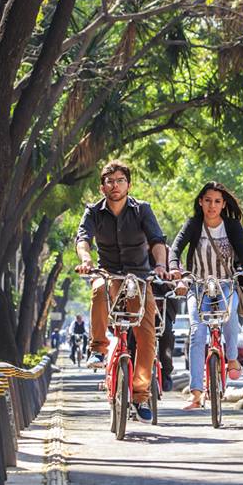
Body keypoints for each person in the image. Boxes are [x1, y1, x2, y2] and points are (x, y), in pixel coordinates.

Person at [75, 159, 171, 424]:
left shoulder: (142, 210)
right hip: (108, 273)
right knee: (97, 289)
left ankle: (140, 396)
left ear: (128, 184)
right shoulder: (93, 212)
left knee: (146, 335)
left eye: (120, 180)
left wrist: (161, 265)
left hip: (139, 279)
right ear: (102, 186)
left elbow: (157, 241)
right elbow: (83, 239)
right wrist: (86, 261)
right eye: (109, 181)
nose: (114, 185)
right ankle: (98, 348)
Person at [169, 181, 243, 410]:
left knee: (230, 316)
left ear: (223, 205)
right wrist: (175, 269)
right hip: (198, 286)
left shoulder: (231, 226)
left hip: (225, 284)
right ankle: (196, 393)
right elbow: (175, 249)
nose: (212, 205)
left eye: (217, 201)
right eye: (208, 200)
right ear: (201, 202)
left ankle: (231, 359)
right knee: (197, 332)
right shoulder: (193, 224)